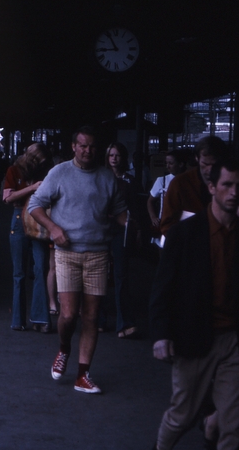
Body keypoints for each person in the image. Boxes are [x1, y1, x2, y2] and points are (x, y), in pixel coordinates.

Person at [27, 126, 127, 394]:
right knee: (69, 314)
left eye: (92, 146)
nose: (87, 151)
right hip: (67, 253)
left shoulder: (107, 178)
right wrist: (54, 228)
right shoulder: (59, 173)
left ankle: (83, 375)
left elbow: (119, 212)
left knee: (92, 317)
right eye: (82, 146)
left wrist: (136, 224)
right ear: (73, 146)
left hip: (98, 253)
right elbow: (34, 205)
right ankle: (63, 349)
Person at [149, 158, 239, 450]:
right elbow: (163, 288)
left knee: (234, 423)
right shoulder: (186, 233)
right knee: (182, 415)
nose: (234, 192)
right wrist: (162, 334)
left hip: (232, 339)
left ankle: (216, 427)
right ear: (212, 187)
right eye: (227, 185)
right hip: (196, 335)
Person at [2, 142, 54, 333]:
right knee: (19, 273)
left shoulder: (47, 171)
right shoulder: (14, 170)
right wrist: (32, 188)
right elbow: (7, 198)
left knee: (41, 268)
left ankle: (40, 318)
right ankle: (18, 319)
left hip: (40, 220)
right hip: (19, 217)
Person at [99, 142, 142, 338]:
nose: (114, 158)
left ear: (123, 158)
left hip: (121, 232)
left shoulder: (130, 181)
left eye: (117, 155)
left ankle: (124, 322)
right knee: (98, 274)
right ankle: (98, 319)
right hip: (100, 230)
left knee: (121, 275)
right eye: (111, 155)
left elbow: (136, 208)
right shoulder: (100, 178)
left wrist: (136, 228)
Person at [160, 136, 229, 238]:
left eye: (215, 165)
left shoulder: (230, 183)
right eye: (205, 164)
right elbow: (167, 224)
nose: (209, 170)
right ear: (197, 159)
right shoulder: (180, 184)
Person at [147, 150, 187, 247]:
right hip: (165, 223)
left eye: (171, 163)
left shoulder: (188, 180)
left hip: (183, 225)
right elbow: (150, 201)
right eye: (166, 163)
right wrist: (153, 217)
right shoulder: (162, 181)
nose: (167, 166)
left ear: (181, 164)